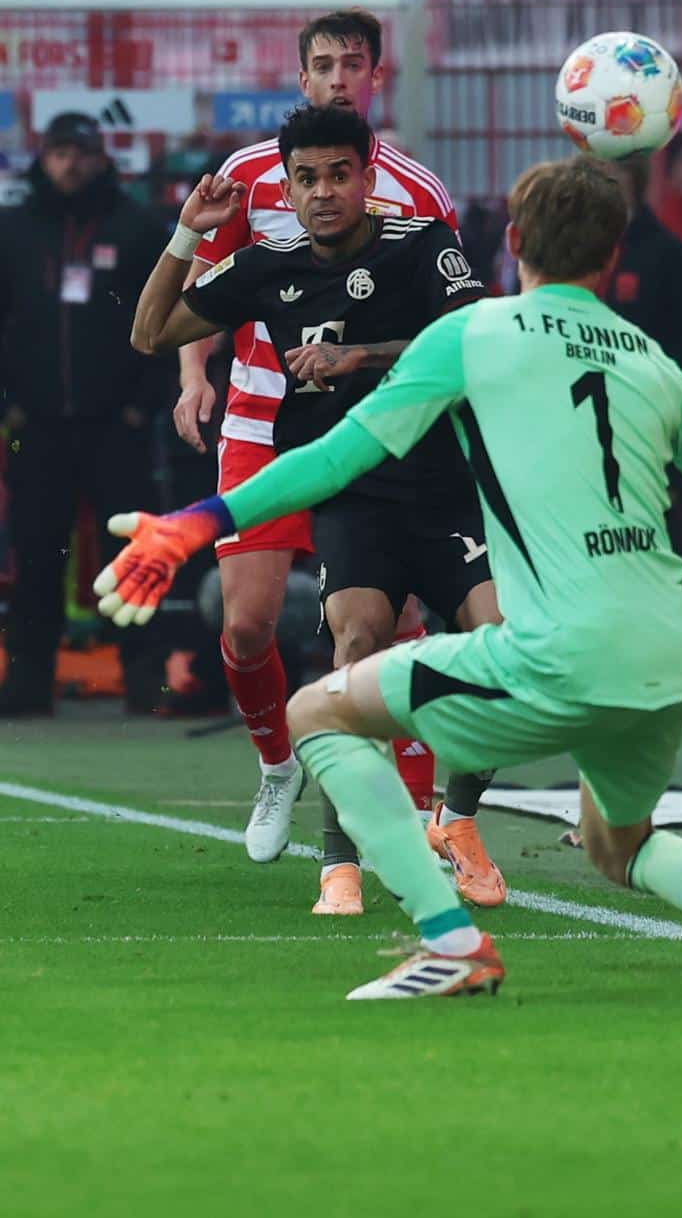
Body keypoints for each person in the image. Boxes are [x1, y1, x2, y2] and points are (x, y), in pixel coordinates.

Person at [93, 156, 682, 1000]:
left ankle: (451, 947)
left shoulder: (473, 334)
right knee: (620, 844)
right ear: (611, 255)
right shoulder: (651, 362)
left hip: (559, 647)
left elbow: (329, 462)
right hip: (667, 654)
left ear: (512, 243)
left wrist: (192, 525)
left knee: (315, 713)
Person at [136, 105, 510, 914]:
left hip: (445, 482)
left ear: (367, 179)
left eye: (339, 174)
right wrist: (185, 234)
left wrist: (359, 356)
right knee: (356, 642)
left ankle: (461, 819)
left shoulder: (420, 245)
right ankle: (339, 863)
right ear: (290, 187)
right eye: (306, 178)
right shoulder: (269, 265)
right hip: (354, 492)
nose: (323, 192)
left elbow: (475, 337)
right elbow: (151, 332)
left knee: (503, 644)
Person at [0, 113, 169, 715]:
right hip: (37, 426)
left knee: (133, 553)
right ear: (43, 158)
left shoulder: (136, 227)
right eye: (60, 152)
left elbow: (168, 320)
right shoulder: (14, 229)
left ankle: (146, 681)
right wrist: (11, 404)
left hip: (114, 426)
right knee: (36, 551)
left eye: (82, 152)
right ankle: (26, 685)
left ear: (102, 157)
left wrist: (140, 406)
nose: (71, 162)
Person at [606, 154, 682, 375]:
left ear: (635, 180)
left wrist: (654, 382)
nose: (606, 181)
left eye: (617, 171)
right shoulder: (570, 246)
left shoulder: (670, 253)